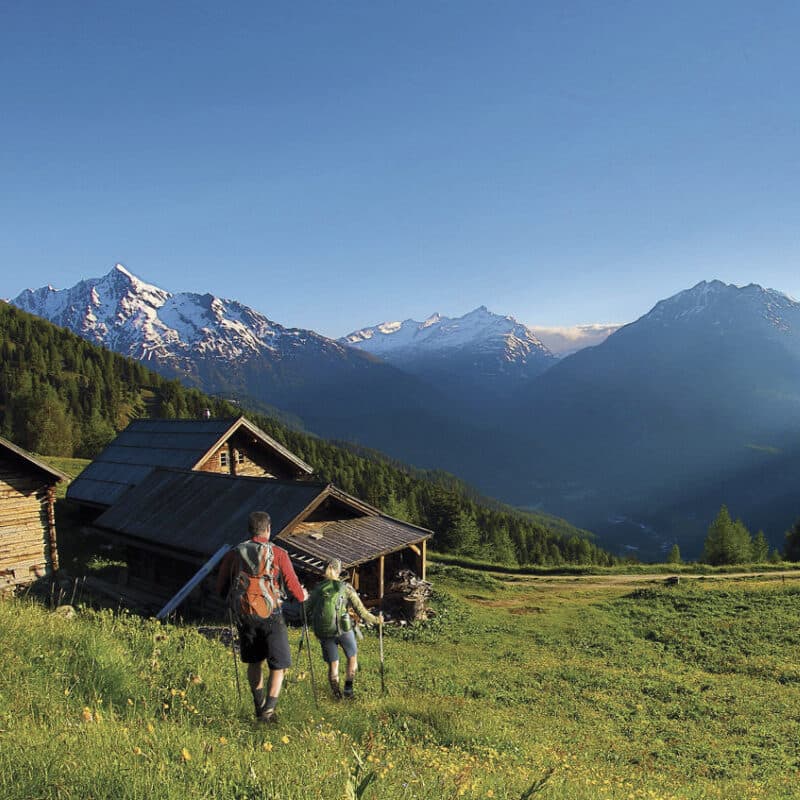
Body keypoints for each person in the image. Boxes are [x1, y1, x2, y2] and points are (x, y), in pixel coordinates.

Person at [216, 511, 308, 723]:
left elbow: (221, 586)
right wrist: (303, 597)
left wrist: (233, 603)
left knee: (254, 662)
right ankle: (269, 711)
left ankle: (258, 707)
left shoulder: (235, 553)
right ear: (268, 529)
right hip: (272, 614)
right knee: (279, 664)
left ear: (250, 529)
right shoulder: (278, 553)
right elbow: (293, 587)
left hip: (245, 613)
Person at [305, 559, 381, 699]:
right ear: (338, 571)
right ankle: (348, 690)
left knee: (333, 665)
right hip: (344, 629)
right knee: (352, 658)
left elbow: (305, 609)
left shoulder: (318, 588)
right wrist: (377, 620)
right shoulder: (345, 588)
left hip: (325, 632)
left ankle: (336, 695)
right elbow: (362, 612)